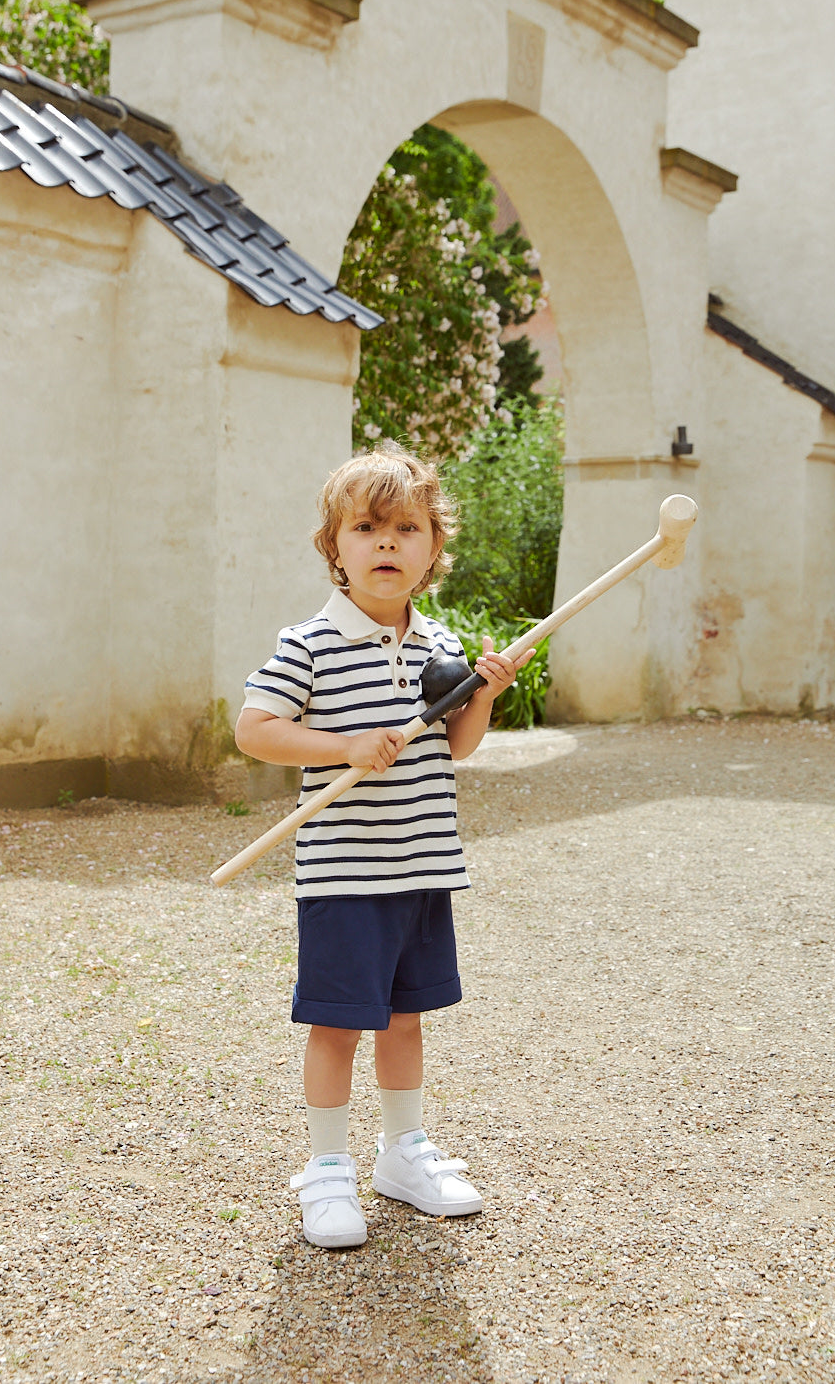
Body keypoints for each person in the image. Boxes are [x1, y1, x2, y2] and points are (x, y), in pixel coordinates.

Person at [235, 444, 531, 1249]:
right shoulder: (309, 643)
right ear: (335, 547)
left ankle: (403, 1153)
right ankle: (326, 1170)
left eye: (407, 528)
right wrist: (343, 745)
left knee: (406, 1020)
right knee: (337, 1025)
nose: (388, 543)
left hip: (423, 865)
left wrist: (485, 694)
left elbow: (457, 746)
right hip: (345, 874)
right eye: (367, 527)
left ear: (434, 549)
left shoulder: (441, 645)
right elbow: (255, 729)